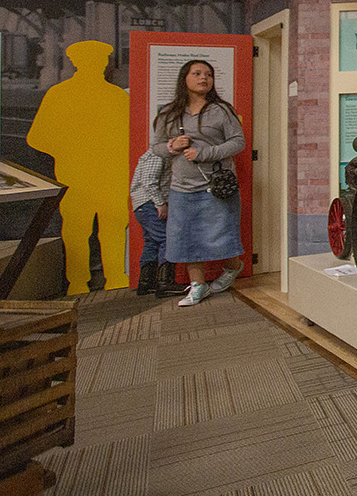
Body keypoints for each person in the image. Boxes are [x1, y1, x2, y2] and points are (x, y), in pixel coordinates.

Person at [28, 40, 130, 293]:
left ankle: (78, 283)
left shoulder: (60, 94)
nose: (99, 65)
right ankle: (115, 277)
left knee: (79, 229)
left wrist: (65, 151)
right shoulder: (117, 96)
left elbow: (37, 138)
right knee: (112, 227)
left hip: (76, 174)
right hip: (110, 173)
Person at [151, 59, 245, 306]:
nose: (204, 78)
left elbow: (238, 142)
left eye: (209, 74)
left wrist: (204, 153)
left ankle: (233, 268)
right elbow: (156, 147)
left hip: (216, 187)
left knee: (223, 233)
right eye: (197, 73)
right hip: (182, 188)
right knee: (187, 238)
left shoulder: (222, 110)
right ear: (185, 78)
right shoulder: (168, 113)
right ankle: (198, 286)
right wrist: (173, 146)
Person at [129, 148, 183, 297]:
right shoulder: (158, 153)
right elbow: (149, 181)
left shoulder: (156, 153)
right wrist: (160, 204)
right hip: (149, 204)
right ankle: (165, 283)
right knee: (167, 238)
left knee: (151, 242)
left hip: (142, 206)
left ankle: (146, 283)